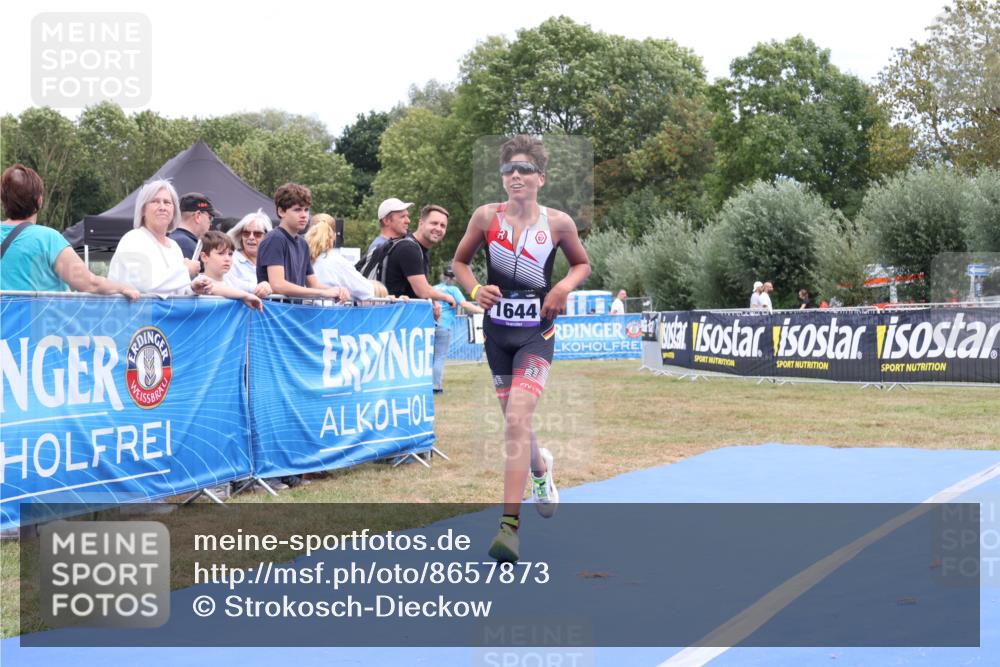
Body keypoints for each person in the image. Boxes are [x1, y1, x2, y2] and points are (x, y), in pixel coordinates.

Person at [452, 135, 591, 563]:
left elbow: (582, 263)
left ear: (540, 178)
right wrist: (476, 288)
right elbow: (459, 263)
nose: (515, 175)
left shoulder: (559, 223)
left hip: (536, 335)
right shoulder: (484, 217)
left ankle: (509, 530)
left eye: (524, 169)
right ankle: (540, 469)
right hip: (497, 335)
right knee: (517, 425)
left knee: (515, 419)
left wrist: (564, 286)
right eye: (508, 169)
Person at [0, 164, 139, 300]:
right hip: (37, 321)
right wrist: (123, 287)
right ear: (39, 200)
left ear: (3, 200)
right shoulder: (48, 239)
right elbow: (90, 284)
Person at [108, 179, 211, 296]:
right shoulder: (133, 239)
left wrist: (192, 289)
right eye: (155, 201)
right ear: (143, 210)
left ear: (174, 211)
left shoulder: (174, 247)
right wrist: (185, 270)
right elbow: (144, 286)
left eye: (167, 202)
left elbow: (175, 290)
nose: (162, 207)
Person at [255, 183, 349, 302]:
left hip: (294, 313)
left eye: (306, 210)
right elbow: (278, 285)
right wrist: (323, 292)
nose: (304, 215)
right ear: (281, 211)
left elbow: (313, 284)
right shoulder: (275, 238)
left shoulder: (303, 244)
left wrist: (338, 290)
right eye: (297, 210)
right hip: (274, 314)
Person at [382, 204, 457, 309]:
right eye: (434, 223)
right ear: (421, 223)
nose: (438, 228)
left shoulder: (418, 248)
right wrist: (446, 297)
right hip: (391, 318)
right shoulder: (409, 248)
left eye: (442, 225)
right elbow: (423, 290)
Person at [431, 266, 484, 393]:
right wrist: (483, 311)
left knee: (431, 357)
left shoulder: (433, 288)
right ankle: (435, 388)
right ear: (454, 278)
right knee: (439, 357)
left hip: (430, 324)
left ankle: (426, 385)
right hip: (444, 326)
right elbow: (465, 305)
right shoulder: (453, 290)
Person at [306, 213, 374, 300]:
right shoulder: (337, 261)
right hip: (330, 312)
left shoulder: (300, 257)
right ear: (334, 236)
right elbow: (366, 291)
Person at [198, 231, 263, 310]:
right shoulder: (199, 280)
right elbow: (213, 288)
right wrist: (245, 296)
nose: (227, 259)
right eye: (221, 253)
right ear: (204, 257)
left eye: (230, 254)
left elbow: (253, 288)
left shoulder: (232, 279)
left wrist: (265, 286)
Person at [224, 209, 273, 298]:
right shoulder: (230, 259)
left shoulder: (273, 261)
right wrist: (261, 287)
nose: (251, 237)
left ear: (267, 237)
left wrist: (270, 287)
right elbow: (230, 284)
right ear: (240, 236)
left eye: (257, 234)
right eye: (246, 233)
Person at [169, 192, 221, 259]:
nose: (210, 224)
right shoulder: (187, 245)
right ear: (198, 216)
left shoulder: (169, 238)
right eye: (210, 218)